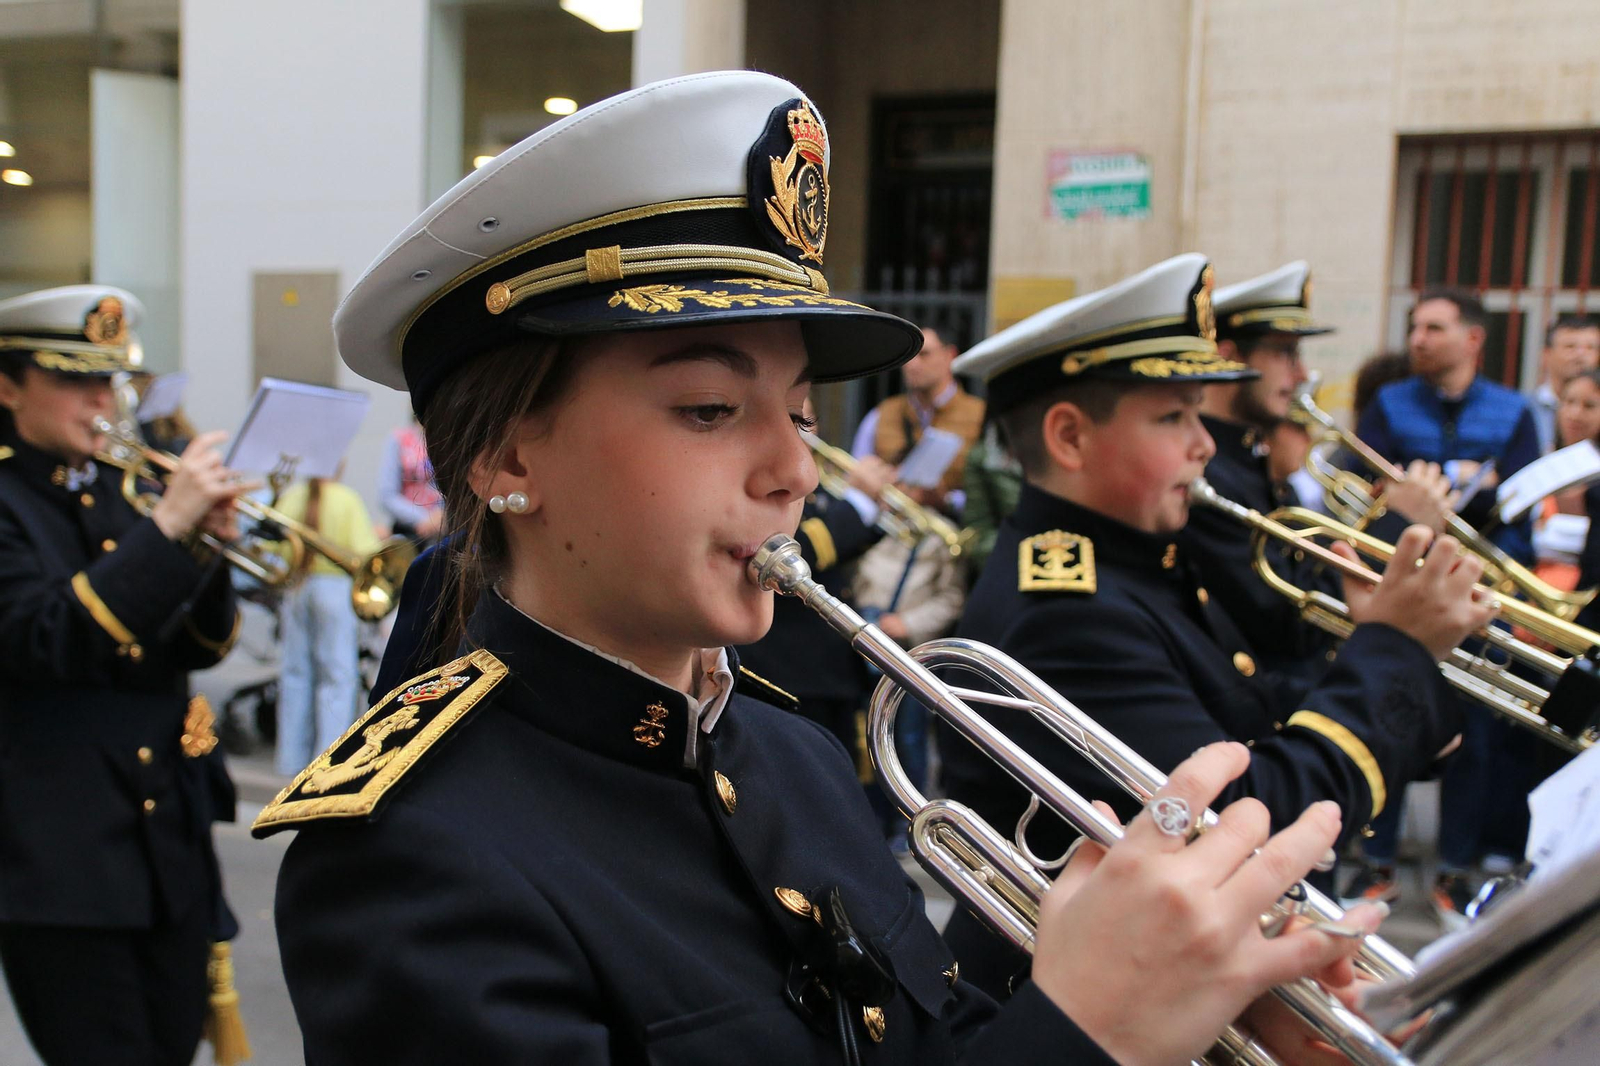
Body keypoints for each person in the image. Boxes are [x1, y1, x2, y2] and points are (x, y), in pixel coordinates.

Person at [254, 73, 1388, 1066]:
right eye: (710, 407)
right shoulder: (407, 859)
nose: (795, 465)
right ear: (505, 454)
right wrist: (1089, 1030)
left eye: (800, 409)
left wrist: (1186, 1009)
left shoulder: (792, 755)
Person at [938, 254, 1488, 999]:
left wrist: (1404, 688)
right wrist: (1397, 657)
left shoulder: (1135, 560)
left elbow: (1245, 714)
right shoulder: (1065, 613)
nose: (1204, 444)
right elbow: (1243, 824)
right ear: (1069, 439)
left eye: (1198, 412)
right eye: (1173, 416)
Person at [0, 285, 248, 1066]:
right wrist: (168, 530)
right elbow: (48, 639)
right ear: (6, 387)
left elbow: (196, 648)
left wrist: (205, 550)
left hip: (163, 845)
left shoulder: (121, 493)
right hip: (61, 862)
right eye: (75, 379)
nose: (101, 401)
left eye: (109, 380)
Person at [1344, 289, 1542, 921]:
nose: (1418, 338)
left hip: (1476, 593)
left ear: (1473, 340)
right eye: (1414, 327)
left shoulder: (1513, 413)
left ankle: (1451, 871)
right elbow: (1357, 494)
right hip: (1402, 585)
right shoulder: (1388, 404)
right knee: (1392, 714)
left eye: (1434, 327)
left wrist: (1470, 553)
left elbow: (1524, 517)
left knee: (1476, 732)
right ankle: (1376, 861)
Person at [271, 472, 383, 775]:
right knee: (337, 676)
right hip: (335, 589)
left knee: (295, 674)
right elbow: (365, 549)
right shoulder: (346, 498)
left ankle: (290, 760)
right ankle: (327, 759)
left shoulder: (292, 495)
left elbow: (272, 544)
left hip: (297, 585)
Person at [851, 324, 985, 511]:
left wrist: (947, 499)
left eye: (924, 354)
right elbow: (856, 480)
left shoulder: (980, 415)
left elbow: (991, 495)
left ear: (950, 355)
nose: (912, 364)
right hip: (888, 528)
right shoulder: (881, 414)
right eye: (908, 355)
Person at [1529, 314, 1600, 454]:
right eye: (1570, 347)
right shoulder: (1525, 409)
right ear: (1546, 354)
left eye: (1590, 348)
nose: (1580, 355)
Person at [378, 414, 444, 542]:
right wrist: (424, 518)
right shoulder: (399, 439)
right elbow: (387, 494)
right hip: (410, 530)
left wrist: (444, 513)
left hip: (446, 526)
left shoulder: (448, 436)